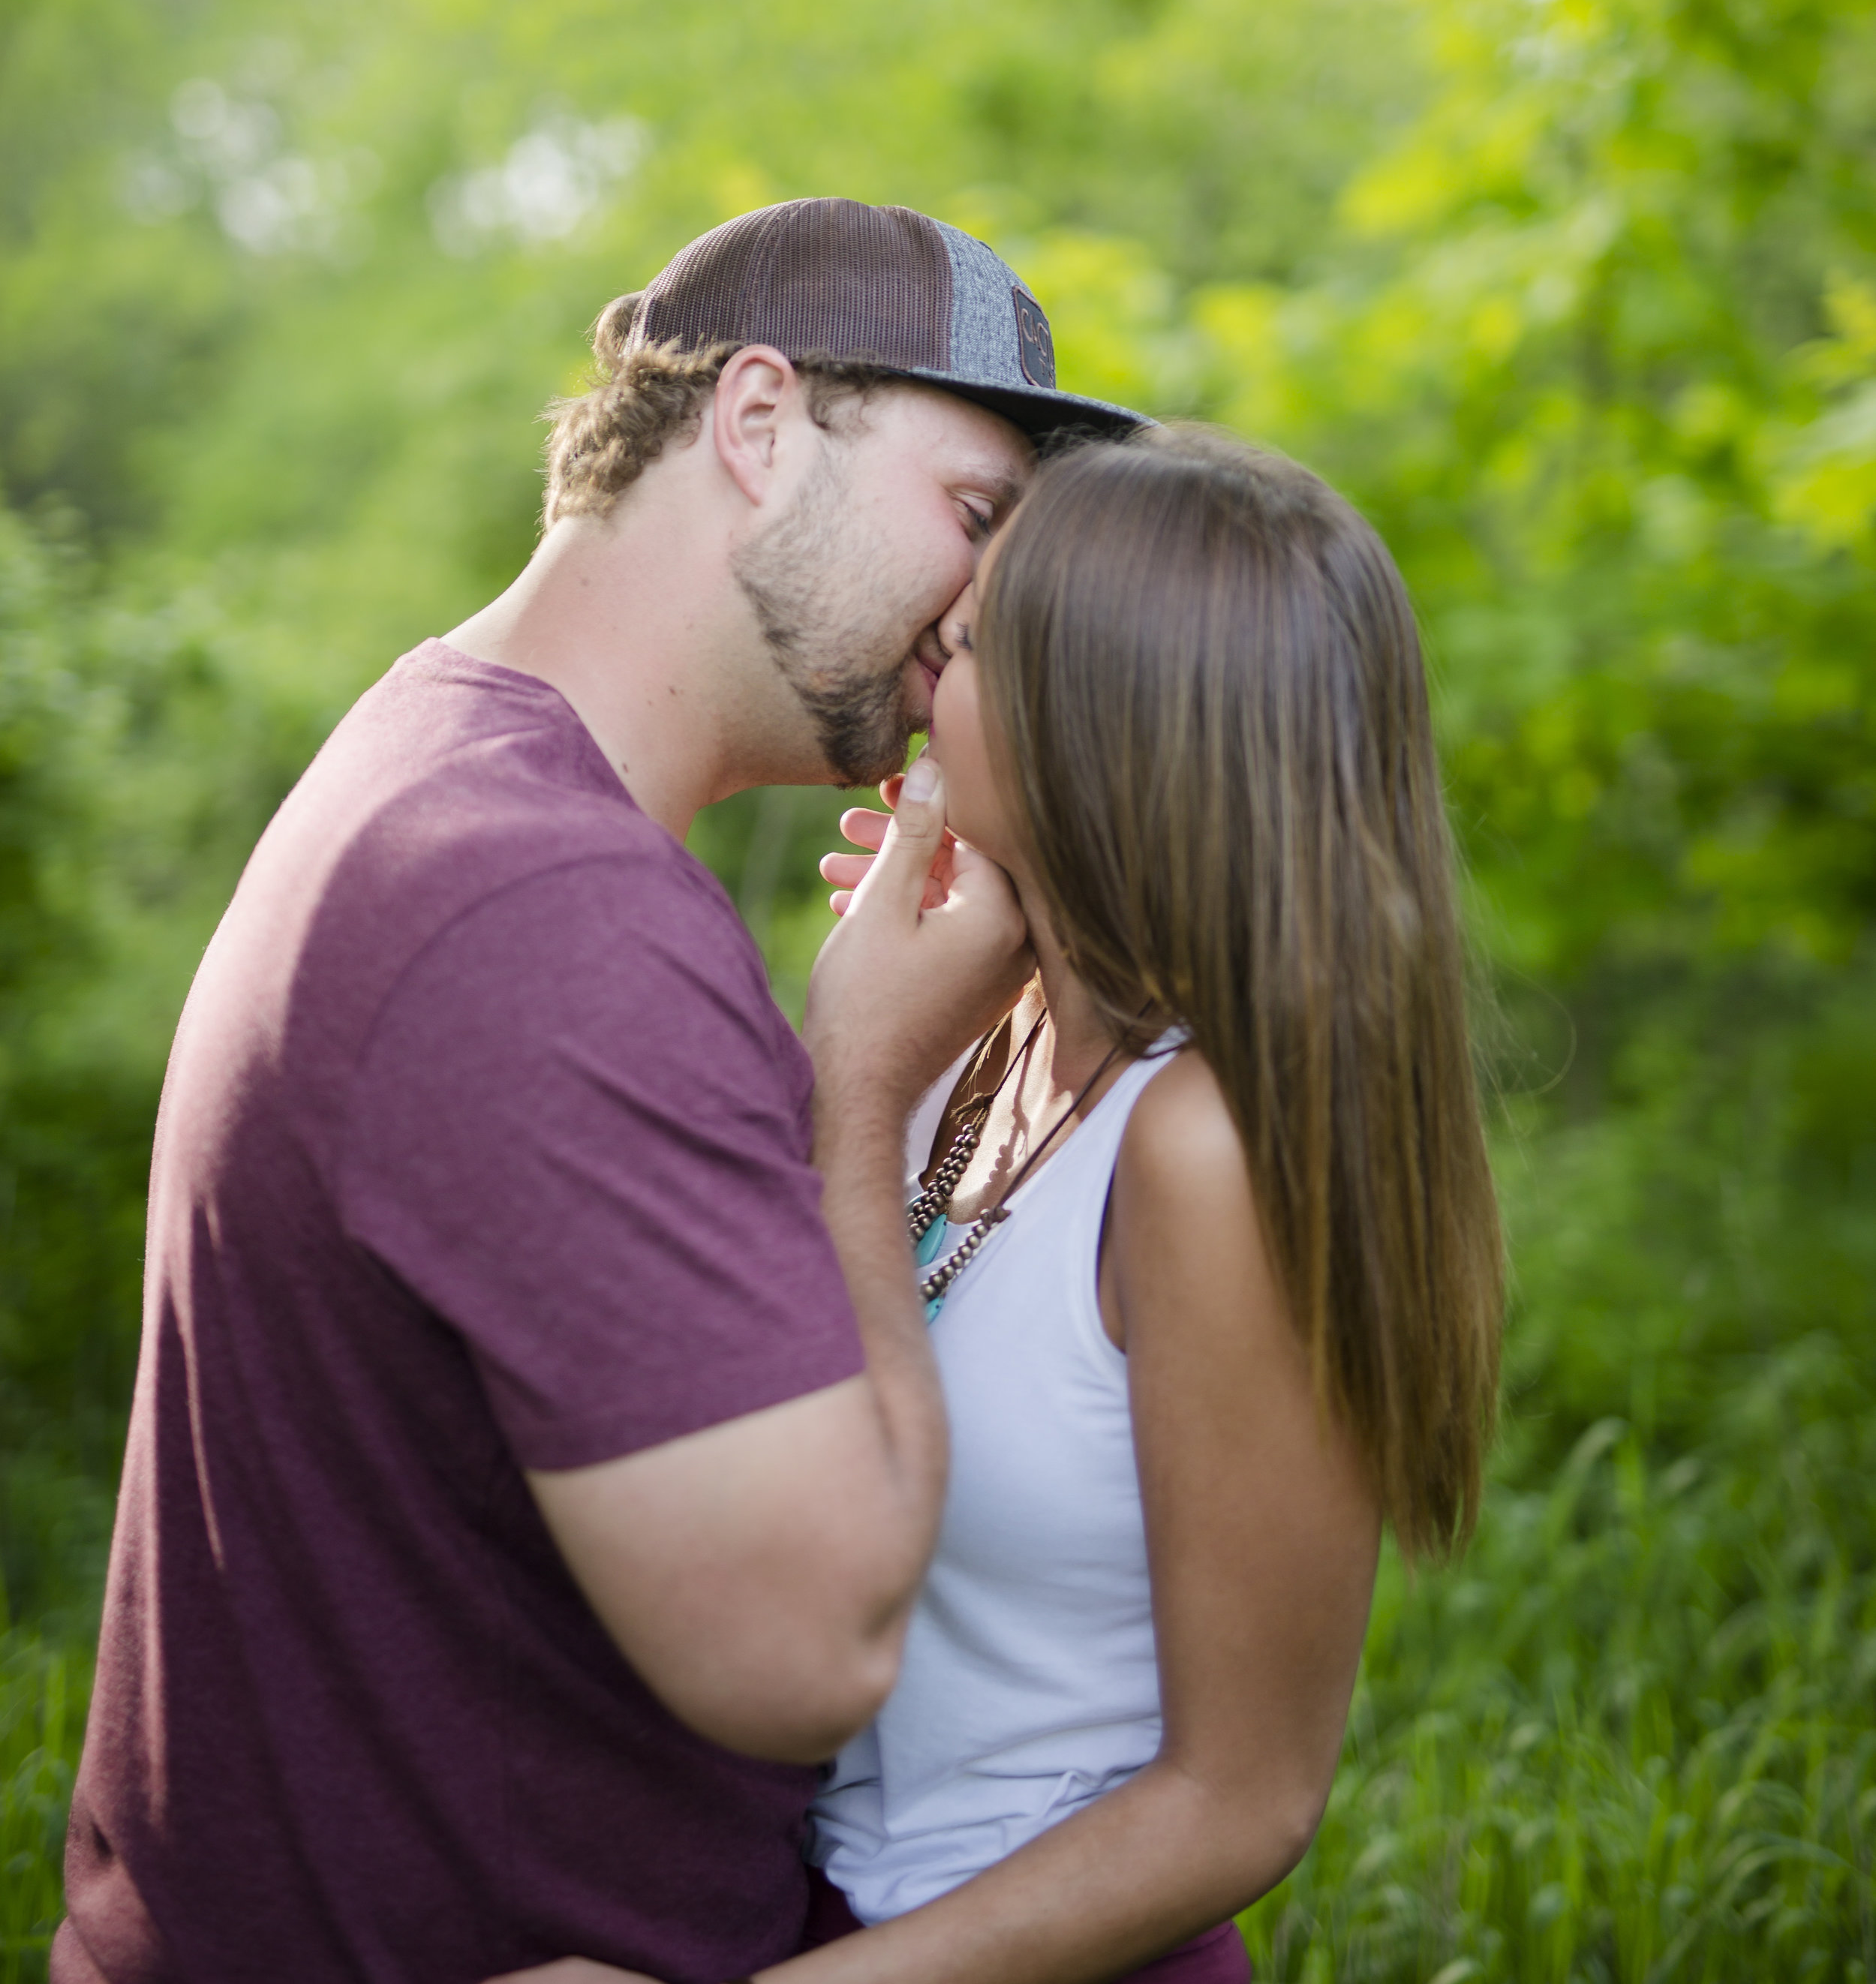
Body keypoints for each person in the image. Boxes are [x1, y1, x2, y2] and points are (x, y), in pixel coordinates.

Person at [53, 199, 1143, 1984]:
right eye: (971, 516)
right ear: (760, 423)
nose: (980, 611)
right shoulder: (545, 906)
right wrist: (857, 1078)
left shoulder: (442, 758)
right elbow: (808, 1648)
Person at [495, 424, 1502, 1984]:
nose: (916, 664)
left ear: (1089, 725)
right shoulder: (995, 1034)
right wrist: (897, 1054)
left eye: (960, 647)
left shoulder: (1201, 1149)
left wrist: (861, 1070)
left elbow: (1238, 1804)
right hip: (816, 1910)